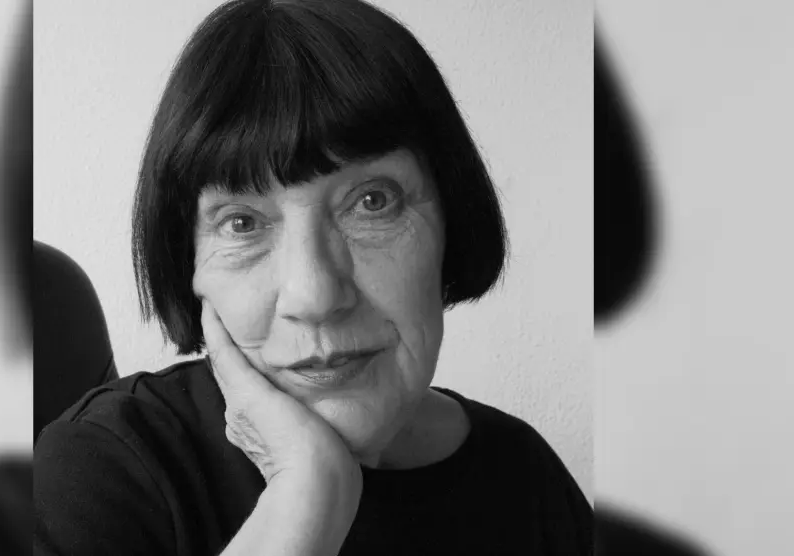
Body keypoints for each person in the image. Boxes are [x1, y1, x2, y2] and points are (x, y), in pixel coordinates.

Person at [34, 0, 592, 554]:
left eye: (373, 202)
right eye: (242, 223)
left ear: (453, 223)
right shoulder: (95, 475)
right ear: (190, 264)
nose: (315, 296)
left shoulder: (526, 478)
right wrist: (306, 501)